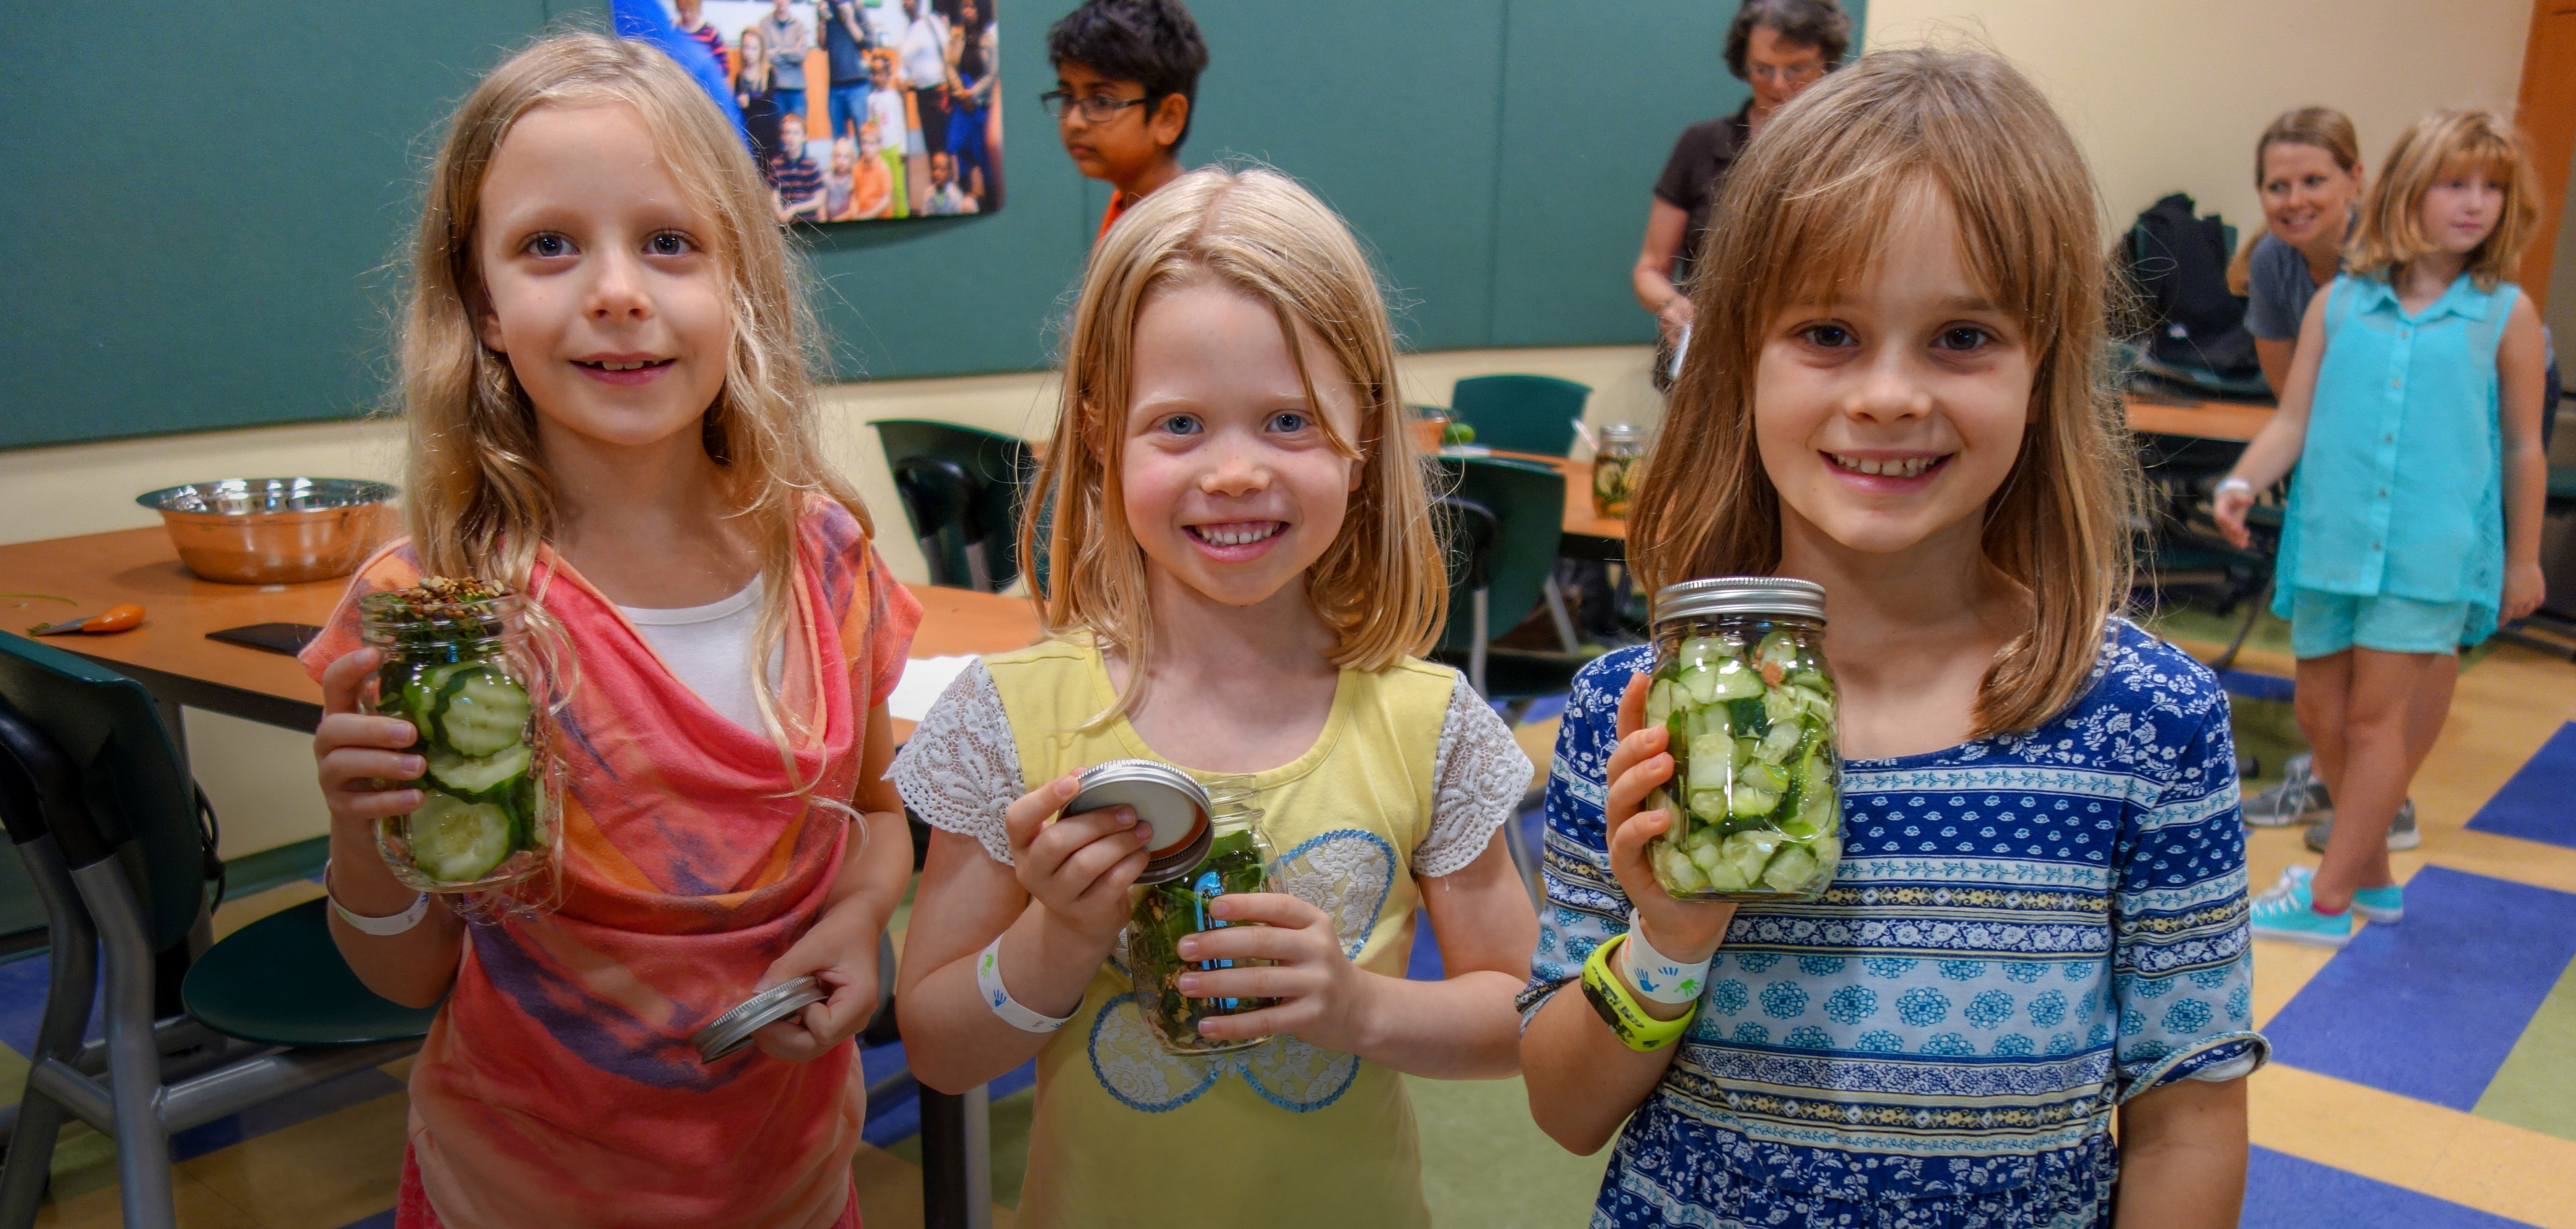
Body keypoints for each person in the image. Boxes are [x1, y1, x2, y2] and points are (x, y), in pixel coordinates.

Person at [1522, 47, 2263, 1227]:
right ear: (1737, 363)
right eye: (1825, 332)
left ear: (2043, 370)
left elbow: (2185, 1115)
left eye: (1961, 336)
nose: (1886, 395)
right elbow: (1562, 1106)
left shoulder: (2146, 719)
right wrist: (1666, 936)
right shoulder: (1642, 707)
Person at [301, 32, 920, 1229]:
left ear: (740, 282)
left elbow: (877, 814)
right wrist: (358, 835)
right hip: (521, 1188)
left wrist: (858, 922)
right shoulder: (435, 610)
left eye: (670, 241)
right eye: (548, 246)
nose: (619, 290)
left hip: (788, 1178)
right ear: (480, 301)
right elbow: (409, 972)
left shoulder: (825, 560)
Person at [890, 166, 1541, 1228]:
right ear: (1102, 437)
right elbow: (943, 1048)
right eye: (1180, 425)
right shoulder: (1008, 719)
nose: (1235, 472)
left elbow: (1525, 1019)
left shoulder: (1432, 726)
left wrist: (1358, 1006)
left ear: (1365, 435)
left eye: (1288, 421)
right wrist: (1056, 937)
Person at [2215, 109, 2551, 947]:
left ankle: (2326, 902)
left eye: (2493, 190)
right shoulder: (2338, 304)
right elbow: (2292, 420)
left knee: (2372, 723)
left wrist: (2523, 558)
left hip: (2427, 557)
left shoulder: (2502, 314)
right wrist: (2240, 480)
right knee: (2320, 714)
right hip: (2328, 541)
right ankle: (2375, 882)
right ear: (2408, 191)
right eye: (2455, 184)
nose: (2475, 204)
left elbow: (2521, 447)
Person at [1633, 0, 1849, 368]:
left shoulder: (1850, 151)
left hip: (1813, 361)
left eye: (1796, 68)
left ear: (1826, 65)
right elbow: (1650, 270)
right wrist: (1673, 307)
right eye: (1762, 69)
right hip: (1708, 360)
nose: (1778, 84)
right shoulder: (1701, 145)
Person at [1043, 0, 1208, 239]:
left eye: (1101, 102)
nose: (1074, 122)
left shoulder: (1188, 238)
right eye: (1068, 97)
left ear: (1168, 118)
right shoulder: (1126, 205)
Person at [943, 0, 999, 207]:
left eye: (973, 7)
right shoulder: (956, 36)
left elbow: (992, 74)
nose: (968, 12)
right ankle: (961, 200)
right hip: (961, 103)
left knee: (983, 154)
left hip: (981, 103)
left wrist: (973, 94)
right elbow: (949, 65)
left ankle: (990, 201)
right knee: (958, 149)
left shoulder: (989, 38)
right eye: (965, 7)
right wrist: (960, 92)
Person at [899, 0, 951, 214]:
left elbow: (948, 52)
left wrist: (948, 85)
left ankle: (953, 195)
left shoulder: (933, 22)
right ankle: (937, 199)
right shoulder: (907, 32)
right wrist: (901, 79)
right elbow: (904, 66)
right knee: (932, 144)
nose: (906, 4)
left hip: (940, 91)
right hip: (920, 94)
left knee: (947, 145)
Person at [818, 0, 876, 147]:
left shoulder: (856, 6)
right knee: (839, 143)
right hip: (835, 86)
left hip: (859, 85)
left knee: (864, 141)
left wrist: (849, 20)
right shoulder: (825, 6)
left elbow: (869, 44)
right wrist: (822, 22)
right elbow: (822, 44)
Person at [736, 24, 785, 180]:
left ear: (761, 51)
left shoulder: (769, 73)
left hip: (769, 131)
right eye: (746, 48)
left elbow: (767, 99)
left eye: (753, 49)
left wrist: (749, 101)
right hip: (751, 131)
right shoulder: (740, 76)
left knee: (770, 172)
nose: (749, 53)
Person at [866, 50, 911, 215]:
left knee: (898, 186)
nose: (877, 78)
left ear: (888, 75)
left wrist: (903, 149)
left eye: (881, 74)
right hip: (881, 151)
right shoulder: (871, 99)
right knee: (884, 187)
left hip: (895, 148)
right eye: (874, 74)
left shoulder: (895, 97)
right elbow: (871, 126)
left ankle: (902, 214)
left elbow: (901, 123)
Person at [759, 0, 814, 126]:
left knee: (800, 134)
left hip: (797, 89)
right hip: (775, 88)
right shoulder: (764, 24)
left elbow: (801, 55)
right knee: (779, 135)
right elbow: (766, 56)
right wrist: (790, 53)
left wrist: (777, 51)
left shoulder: (799, 25)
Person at [773, 110, 828, 220]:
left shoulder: (811, 166)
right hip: (786, 223)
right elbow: (773, 197)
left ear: (805, 137)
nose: (792, 137)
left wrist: (795, 209)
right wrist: (780, 214)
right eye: (788, 133)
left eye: (796, 133)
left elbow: (819, 199)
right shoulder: (776, 165)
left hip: (809, 222)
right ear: (782, 136)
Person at [851, 124, 895, 218]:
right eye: (864, 143)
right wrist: (854, 215)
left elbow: (886, 200)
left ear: (879, 145)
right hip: (861, 215)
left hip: (879, 218)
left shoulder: (884, 169)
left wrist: (867, 216)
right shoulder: (856, 167)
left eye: (871, 144)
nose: (867, 147)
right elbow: (855, 195)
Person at [675, 0, 728, 76]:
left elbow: (723, 67)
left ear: (699, 8)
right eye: (683, 10)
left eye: (691, 10)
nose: (687, 15)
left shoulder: (711, 33)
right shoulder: (672, 30)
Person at [920, 148, 974, 214]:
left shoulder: (955, 195)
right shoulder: (929, 192)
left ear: (949, 172)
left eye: (942, 170)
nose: (937, 173)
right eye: (935, 169)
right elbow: (924, 214)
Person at [824, 135, 858, 219]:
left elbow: (853, 212)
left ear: (852, 160)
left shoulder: (854, 179)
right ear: (833, 157)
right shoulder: (827, 178)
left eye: (846, 157)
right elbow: (822, 206)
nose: (841, 161)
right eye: (838, 156)